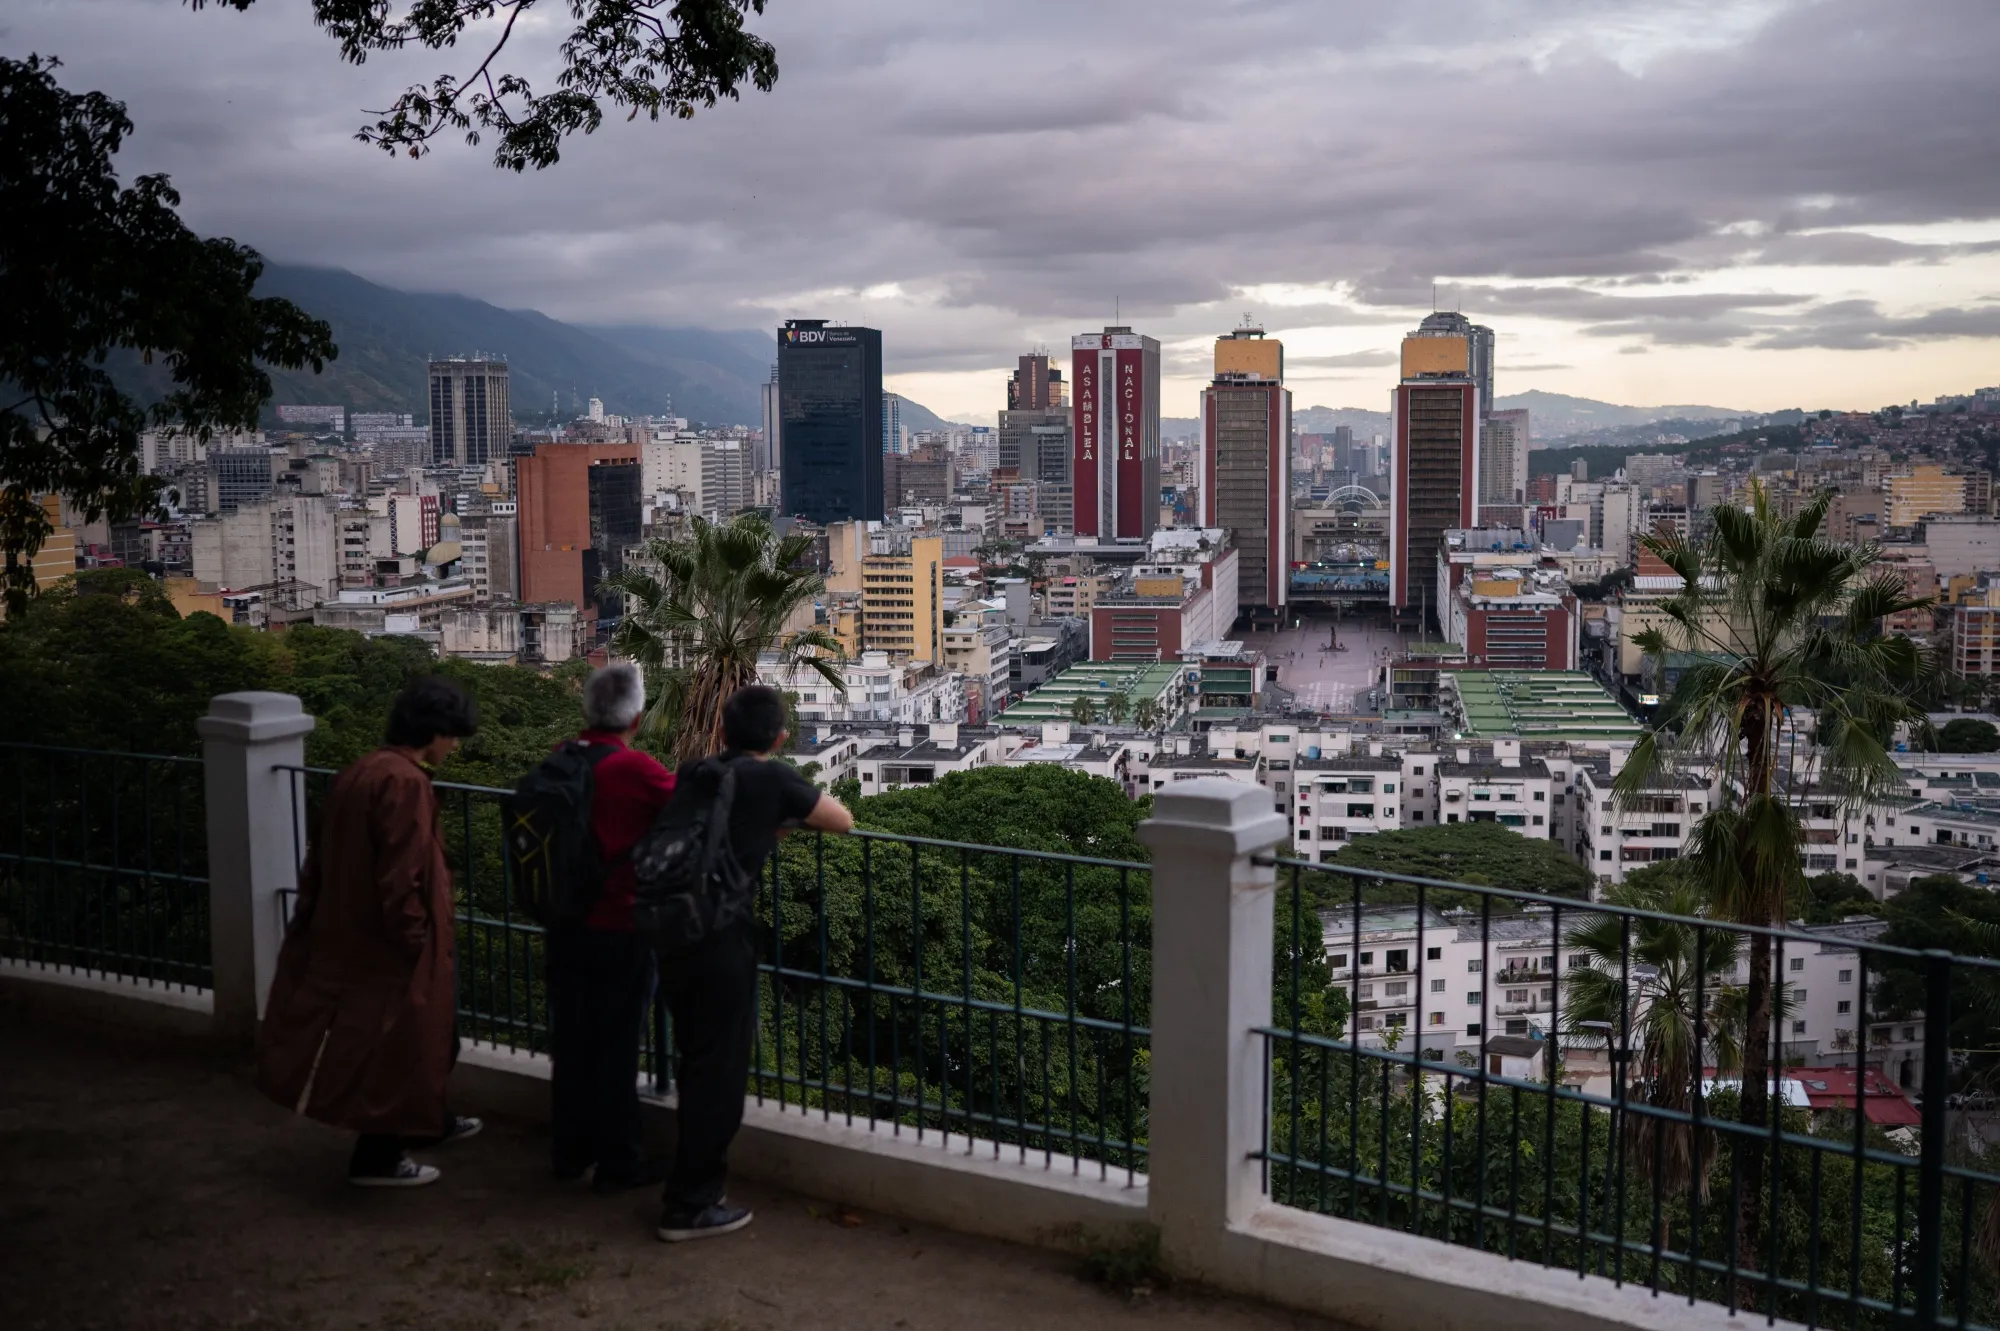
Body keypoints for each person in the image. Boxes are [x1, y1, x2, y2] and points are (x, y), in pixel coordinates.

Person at [256, 676, 483, 1186]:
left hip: (349, 929)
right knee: (402, 1044)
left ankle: (427, 1122)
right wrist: (416, 938)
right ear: (434, 733)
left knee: (430, 1040)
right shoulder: (406, 784)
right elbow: (402, 874)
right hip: (391, 943)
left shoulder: (359, 772)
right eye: (451, 737)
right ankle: (379, 1156)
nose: (452, 748)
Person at [654, 683, 853, 1243]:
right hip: (721, 936)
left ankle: (688, 1189)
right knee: (720, 1072)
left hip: (672, 927)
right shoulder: (772, 779)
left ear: (721, 730)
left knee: (695, 1060)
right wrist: (780, 820)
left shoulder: (697, 772)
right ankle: (691, 1203)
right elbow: (843, 820)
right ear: (781, 737)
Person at [547, 663, 677, 1191]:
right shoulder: (635, 770)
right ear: (638, 719)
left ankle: (569, 1153)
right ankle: (619, 1159)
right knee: (619, 1044)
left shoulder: (562, 758)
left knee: (573, 1041)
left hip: (563, 921)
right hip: (619, 924)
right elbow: (692, 808)